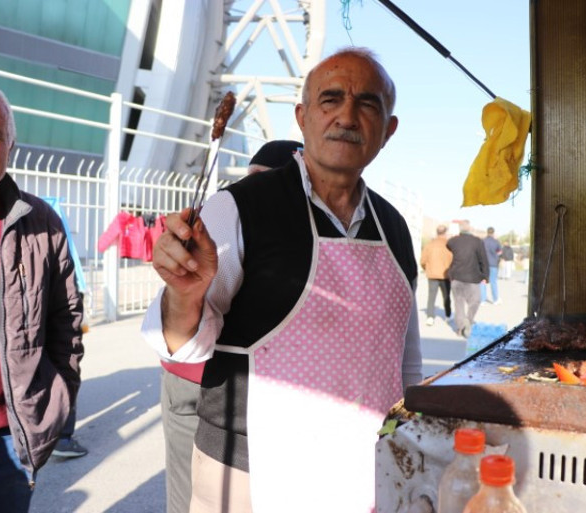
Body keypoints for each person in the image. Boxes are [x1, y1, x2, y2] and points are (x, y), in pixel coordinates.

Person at [142, 47, 422, 512]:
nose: (347, 116)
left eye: (367, 104)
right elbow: (180, 346)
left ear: (388, 130)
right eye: (330, 99)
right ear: (302, 117)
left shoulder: (394, 227)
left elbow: (405, 361)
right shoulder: (236, 208)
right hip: (248, 473)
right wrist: (183, 293)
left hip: (364, 469)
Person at [0, 77, 84, 512]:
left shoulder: (40, 221)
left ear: (10, 146)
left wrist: (55, 405)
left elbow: (67, 324)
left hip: (9, 445)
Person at [157, 139, 304, 513]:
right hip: (201, 380)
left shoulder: (264, 222)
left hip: (225, 391)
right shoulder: (228, 214)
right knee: (193, 492)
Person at [446, 221, 489, 339]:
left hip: (456, 277)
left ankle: (461, 327)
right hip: (473, 278)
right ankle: (468, 320)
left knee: (458, 303)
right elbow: (483, 259)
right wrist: (485, 276)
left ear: (460, 230)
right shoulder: (477, 241)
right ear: (470, 230)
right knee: (475, 301)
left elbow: (448, 245)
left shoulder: (453, 241)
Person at [420, 224, 453, 326]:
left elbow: (423, 260)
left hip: (432, 274)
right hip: (445, 275)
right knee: (446, 296)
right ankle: (448, 315)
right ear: (445, 233)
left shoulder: (429, 245)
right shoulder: (449, 245)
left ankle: (430, 317)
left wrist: (427, 269)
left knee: (431, 296)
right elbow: (453, 260)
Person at [480, 226, 502, 304]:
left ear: (487, 232)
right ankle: (495, 299)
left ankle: (482, 300)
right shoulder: (496, 242)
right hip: (493, 264)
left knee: (483, 281)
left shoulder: (482, 241)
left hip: (484, 264)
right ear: (493, 232)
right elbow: (500, 252)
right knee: (493, 281)